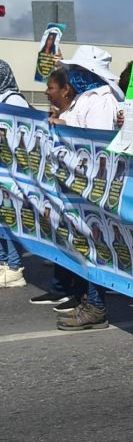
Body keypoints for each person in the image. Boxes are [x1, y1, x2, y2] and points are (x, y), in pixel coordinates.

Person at [47, 48, 123, 330]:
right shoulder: (86, 97)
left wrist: (65, 125)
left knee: (94, 245)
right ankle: (90, 300)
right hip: (79, 182)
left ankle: (96, 305)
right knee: (86, 244)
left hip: (92, 184)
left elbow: (95, 141)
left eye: (78, 70)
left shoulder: (101, 99)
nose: (73, 75)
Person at [0, 60, 31, 288]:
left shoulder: (14, 101)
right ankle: (3, 262)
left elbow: (20, 136)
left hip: (12, 172)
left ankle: (14, 267)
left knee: (11, 219)